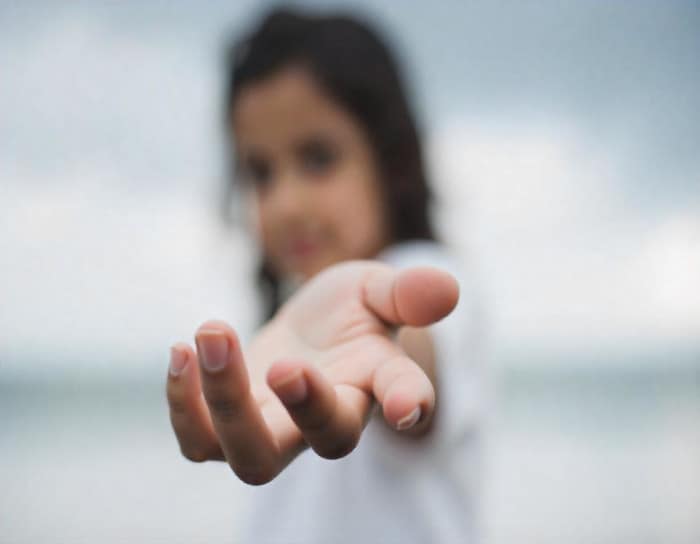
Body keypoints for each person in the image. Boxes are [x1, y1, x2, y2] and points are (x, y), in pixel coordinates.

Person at [166, 7, 485, 543]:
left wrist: (381, 331)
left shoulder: (432, 280)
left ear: (389, 160)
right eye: (260, 172)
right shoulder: (289, 328)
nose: (286, 203)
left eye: (318, 158)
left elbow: (418, 354)